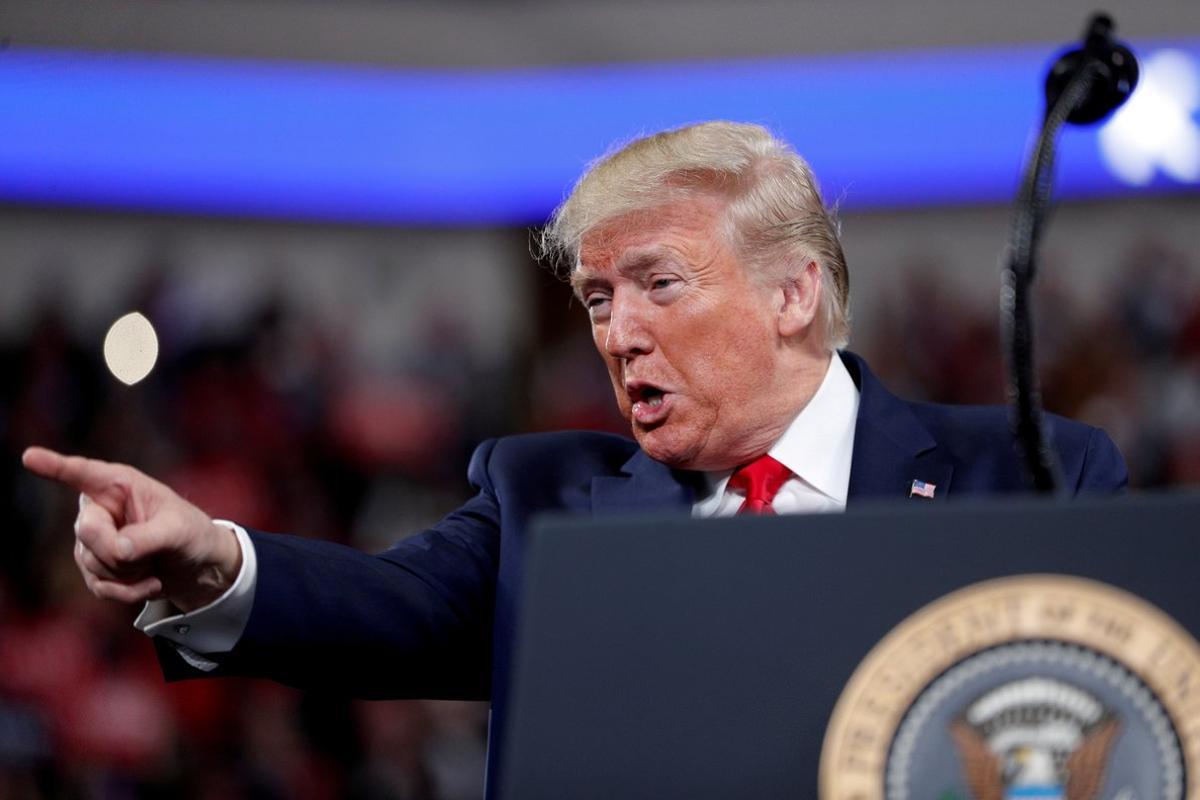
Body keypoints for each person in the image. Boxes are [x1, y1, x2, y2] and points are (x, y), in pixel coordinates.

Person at [21, 121, 1127, 795]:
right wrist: (210, 558)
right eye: (599, 298)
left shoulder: (1035, 477)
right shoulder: (542, 498)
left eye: (659, 283)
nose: (617, 332)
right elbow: (384, 604)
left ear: (793, 292)